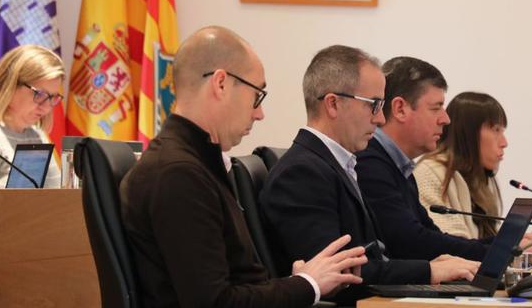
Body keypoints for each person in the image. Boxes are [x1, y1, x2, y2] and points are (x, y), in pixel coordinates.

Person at [120, 26, 367, 308]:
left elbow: (236, 283)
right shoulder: (177, 174)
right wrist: (307, 285)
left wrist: (300, 281)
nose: (259, 114)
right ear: (221, 83)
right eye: (257, 95)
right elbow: (215, 302)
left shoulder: (192, 162)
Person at [260, 46, 479, 303]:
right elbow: (338, 274)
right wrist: (429, 270)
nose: (380, 119)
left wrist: (435, 266)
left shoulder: (337, 164)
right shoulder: (301, 173)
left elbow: (373, 257)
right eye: (374, 105)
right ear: (333, 104)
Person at [355, 57, 491, 261]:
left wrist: (505, 247)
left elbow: (431, 237)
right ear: (400, 109)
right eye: (436, 108)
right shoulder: (369, 162)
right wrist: (500, 251)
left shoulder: (398, 165)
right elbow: (411, 243)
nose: (446, 119)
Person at [414, 92, 509, 239]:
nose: (504, 143)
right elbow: (451, 245)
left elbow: (485, 245)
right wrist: (509, 247)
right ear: (468, 133)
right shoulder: (429, 173)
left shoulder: (481, 179)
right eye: (496, 130)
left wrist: (523, 248)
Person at [0, 45, 63, 188]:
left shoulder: (37, 136)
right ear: (10, 85)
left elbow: (58, 196)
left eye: (52, 97)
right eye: (39, 94)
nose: (46, 107)